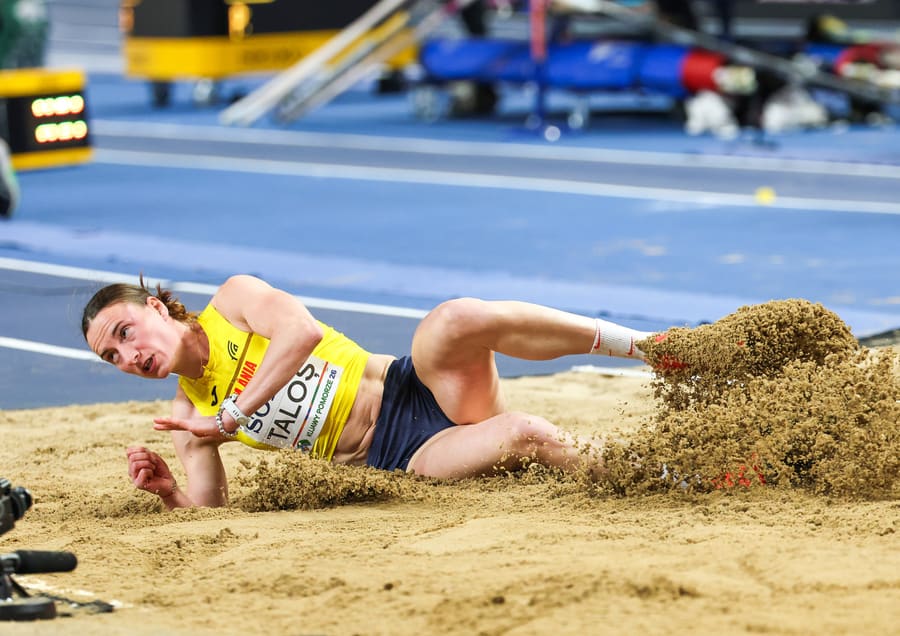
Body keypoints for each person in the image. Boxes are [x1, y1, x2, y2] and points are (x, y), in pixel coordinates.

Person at [82, 274, 660, 509]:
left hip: (419, 387)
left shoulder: (234, 302)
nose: (128, 358)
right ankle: (667, 474)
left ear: (156, 308)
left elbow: (302, 332)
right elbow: (211, 516)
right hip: (400, 455)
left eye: (125, 333)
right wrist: (170, 495)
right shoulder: (190, 416)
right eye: (112, 357)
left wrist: (234, 412)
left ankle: (648, 347)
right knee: (524, 433)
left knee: (454, 318)